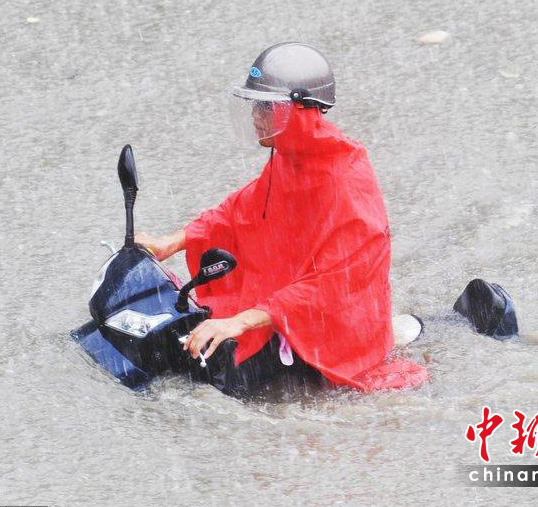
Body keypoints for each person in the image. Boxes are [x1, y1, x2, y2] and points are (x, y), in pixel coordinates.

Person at [136, 42, 428, 396]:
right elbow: (237, 213)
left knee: (220, 378)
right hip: (285, 302)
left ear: (299, 111)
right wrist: (170, 242)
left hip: (333, 325)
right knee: (183, 344)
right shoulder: (289, 158)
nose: (256, 116)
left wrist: (241, 321)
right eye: (256, 105)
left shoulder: (345, 180)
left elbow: (332, 284)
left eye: (267, 107)